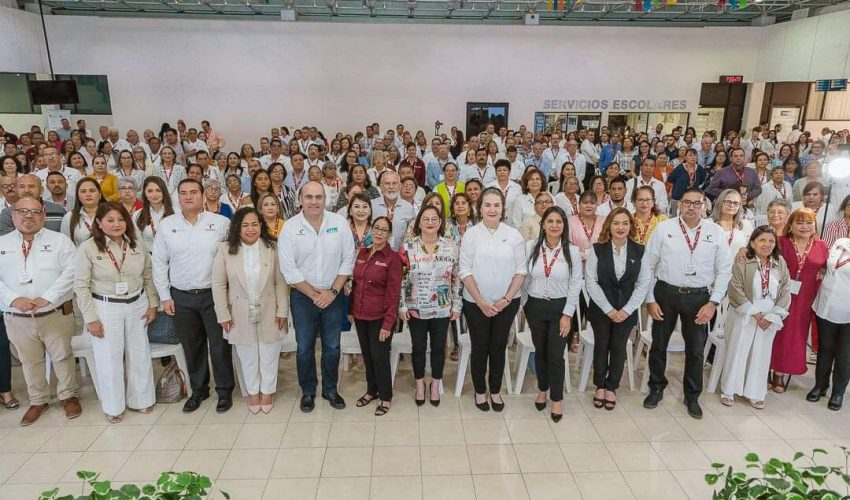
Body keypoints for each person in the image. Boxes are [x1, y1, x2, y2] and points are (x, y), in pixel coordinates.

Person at [643, 188, 732, 419]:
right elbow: (647, 265)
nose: (691, 207)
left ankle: (692, 395)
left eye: (697, 203)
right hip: (666, 293)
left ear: (705, 206)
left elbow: (724, 270)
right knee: (658, 345)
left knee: (695, 350)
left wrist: (713, 303)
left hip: (699, 298)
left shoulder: (716, 232)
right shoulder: (665, 229)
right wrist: (650, 299)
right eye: (686, 202)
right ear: (679, 205)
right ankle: (656, 387)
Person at [153, 178, 233, 413]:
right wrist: (165, 296)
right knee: (192, 346)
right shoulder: (167, 225)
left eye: (193, 192)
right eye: (183, 193)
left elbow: (231, 257)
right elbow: (158, 262)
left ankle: (225, 391)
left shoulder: (221, 223)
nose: (188, 197)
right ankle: (199, 390)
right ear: (177, 197)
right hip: (182, 296)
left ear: (203, 195)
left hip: (214, 295)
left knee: (219, 346)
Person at [74, 201, 159, 422]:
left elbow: (148, 277)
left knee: (139, 354)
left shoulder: (136, 244)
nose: (117, 224)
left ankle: (142, 400)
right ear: (99, 223)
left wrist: (152, 303)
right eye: (110, 220)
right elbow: (81, 286)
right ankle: (114, 407)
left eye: (121, 219)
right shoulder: (88, 248)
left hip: (137, 303)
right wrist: (91, 319)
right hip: (105, 307)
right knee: (109, 357)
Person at [0, 196, 79, 426]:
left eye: (35, 212)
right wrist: (15, 299)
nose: (29, 216)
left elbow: (71, 272)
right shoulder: (2, 244)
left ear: (44, 215)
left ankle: (68, 396)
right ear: (13, 215)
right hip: (17, 316)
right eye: (23, 211)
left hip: (54, 313)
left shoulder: (60, 241)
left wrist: (48, 298)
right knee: (29, 360)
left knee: (62, 356)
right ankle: (38, 399)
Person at [279, 181, 355, 413]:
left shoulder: (339, 223)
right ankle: (308, 391)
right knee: (304, 348)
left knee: (332, 346)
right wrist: (314, 294)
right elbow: (289, 270)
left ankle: (330, 389)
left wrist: (332, 292)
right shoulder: (290, 227)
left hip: (334, 295)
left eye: (318, 197)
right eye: (309, 197)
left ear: (326, 199)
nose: (314, 201)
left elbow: (348, 259)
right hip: (303, 297)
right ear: (300, 199)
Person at [212, 207, 289, 414]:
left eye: (255, 224)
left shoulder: (272, 247)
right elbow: (218, 285)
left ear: (261, 226)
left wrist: (282, 310)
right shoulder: (225, 249)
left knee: (269, 353)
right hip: (237, 311)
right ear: (237, 228)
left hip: (269, 309)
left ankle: (267, 391)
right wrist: (223, 314)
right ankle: (252, 392)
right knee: (247, 355)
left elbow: (280, 282)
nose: (250, 229)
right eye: (245, 225)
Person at [459, 187, 526, 412]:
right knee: (480, 346)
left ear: (503, 209)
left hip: (506, 304)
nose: (492, 209)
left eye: (496, 205)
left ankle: (495, 390)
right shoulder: (471, 234)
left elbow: (521, 271)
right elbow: (465, 271)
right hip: (475, 302)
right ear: (480, 208)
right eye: (487, 205)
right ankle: (480, 391)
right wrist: (480, 301)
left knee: (498, 346)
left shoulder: (514, 234)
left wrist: (506, 300)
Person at [586, 208, 651, 411]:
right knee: (601, 345)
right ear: (609, 226)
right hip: (601, 309)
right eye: (616, 223)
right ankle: (599, 386)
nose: (620, 227)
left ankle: (612, 387)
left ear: (630, 226)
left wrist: (627, 310)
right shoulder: (597, 249)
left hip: (627, 310)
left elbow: (643, 283)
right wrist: (608, 309)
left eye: (625, 223)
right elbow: (591, 282)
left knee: (619, 347)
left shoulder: (640, 251)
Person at [720, 226, 791, 409]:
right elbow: (735, 288)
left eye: (771, 241)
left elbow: (785, 291)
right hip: (744, 313)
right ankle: (729, 390)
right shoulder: (743, 260)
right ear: (752, 242)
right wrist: (755, 313)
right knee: (738, 351)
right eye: (762, 240)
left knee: (761, 354)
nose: (767, 244)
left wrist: (773, 315)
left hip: (769, 318)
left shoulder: (779, 262)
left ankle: (755, 392)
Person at [523, 206, 582, 421]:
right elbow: (524, 277)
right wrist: (523, 304)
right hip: (535, 306)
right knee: (540, 352)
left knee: (556, 355)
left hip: (561, 309)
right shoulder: (531, 246)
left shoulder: (572, 251)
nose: (554, 225)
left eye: (559, 221)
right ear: (543, 224)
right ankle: (542, 390)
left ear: (564, 226)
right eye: (550, 221)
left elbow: (576, 284)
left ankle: (556, 399)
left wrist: (568, 314)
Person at [399, 205, 461, 407]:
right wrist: (402, 305)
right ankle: (419, 385)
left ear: (441, 222)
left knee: (437, 348)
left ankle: (435, 384)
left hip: (442, 308)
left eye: (434, 219)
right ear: (419, 223)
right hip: (415, 307)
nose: (430, 223)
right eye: (425, 219)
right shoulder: (408, 247)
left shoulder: (451, 246)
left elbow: (456, 278)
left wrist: (457, 304)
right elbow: (400, 279)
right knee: (418, 348)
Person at [770, 208, 828, 393]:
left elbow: (828, 269)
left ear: (815, 225)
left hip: (806, 297)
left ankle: (780, 371)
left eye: (809, 222)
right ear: (791, 225)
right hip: (779, 293)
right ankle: (764, 367)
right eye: (799, 222)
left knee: (794, 335)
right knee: (775, 330)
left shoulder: (821, 246)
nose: (805, 226)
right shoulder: (781, 243)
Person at [350, 216, 402, 416]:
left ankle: (386, 397)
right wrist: (350, 311)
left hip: (380, 318)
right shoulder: (362, 253)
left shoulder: (392, 258)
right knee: (368, 355)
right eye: (377, 228)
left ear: (389, 235)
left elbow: (393, 293)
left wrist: (388, 323)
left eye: (384, 230)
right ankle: (372, 390)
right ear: (371, 229)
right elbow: (356, 285)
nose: (379, 232)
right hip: (360, 315)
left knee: (380, 357)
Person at [808, 237, 850, 410]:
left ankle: (838, 392)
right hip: (826, 305)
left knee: (844, 355)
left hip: (847, 310)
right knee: (825, 348)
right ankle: (820, 385)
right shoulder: (840, 242)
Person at [371, 170, 415, 251]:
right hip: (375, 255)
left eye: (394, 183)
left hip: (399, 256)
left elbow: (411, 236)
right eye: (387, 183)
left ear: (400, 186)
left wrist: (407, 254)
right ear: (381, 186)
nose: (391, 187)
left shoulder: (408, 208)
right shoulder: (371, 205)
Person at [711, 189, 755, 259]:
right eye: (728, 202)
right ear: (720, 202)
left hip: (737, 268)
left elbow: (754, 247)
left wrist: (745, 249)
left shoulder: (745, 225)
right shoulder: (708, 224)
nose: (731, 205)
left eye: (736, 203)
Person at [61, 178, 103, 246]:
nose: (88, 194)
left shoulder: (111, 213)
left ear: (100, 194)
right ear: (77, 196)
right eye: (83, 191)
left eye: (92, 191)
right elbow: (66, 245)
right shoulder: (69, 217)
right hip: (80, 255)